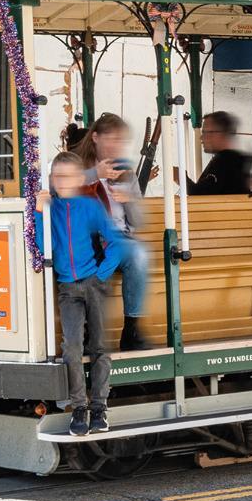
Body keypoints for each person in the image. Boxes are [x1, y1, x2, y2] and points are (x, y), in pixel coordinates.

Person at [46, 151, 131, 436]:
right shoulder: (51, 209)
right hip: (68, 288)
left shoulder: (90, 206)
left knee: (99, 347)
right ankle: (78, 408)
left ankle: (100, 408)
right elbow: (38, 243)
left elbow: (117, 242)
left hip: (94, 284)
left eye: (68, 176)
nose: (62, 182)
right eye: (57, 177)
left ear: (79, 179)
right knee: (71, 347)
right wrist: (36, 209)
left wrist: (102, 274)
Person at [73, 114, 151, 351]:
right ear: (95, 137)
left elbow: (138, 223)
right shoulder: (77, 165)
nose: (116, 146)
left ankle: (132, 330)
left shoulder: (126, 171)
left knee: (138, 254)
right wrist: (95, 175)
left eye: (121, 141)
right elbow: (59, 188)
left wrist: (129, 200)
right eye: (111, 139)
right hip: (89, 237)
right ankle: (88, 331)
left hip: (119, 238)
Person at [190, 111, 251, 195]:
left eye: (205, 132)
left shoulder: (225, 162)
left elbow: (200, 194)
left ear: (221, 133)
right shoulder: (234, 160)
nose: (201, 137)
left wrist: (178, 176)